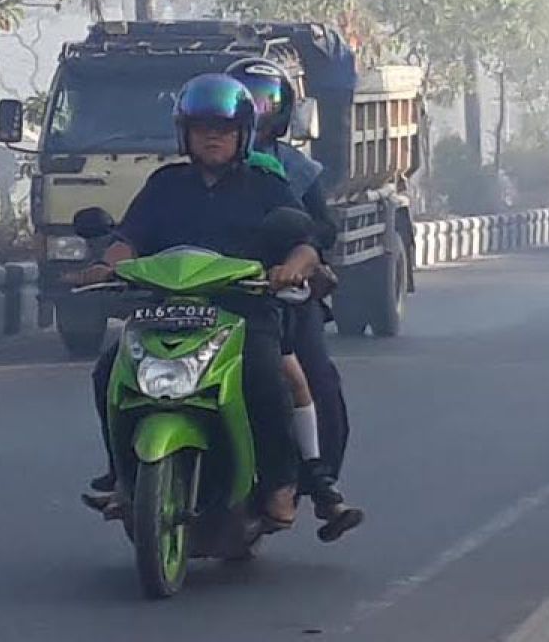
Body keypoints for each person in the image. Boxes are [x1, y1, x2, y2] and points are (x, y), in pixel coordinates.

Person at [70, 73, 318, 529]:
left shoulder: (264, 184)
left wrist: (292, 267)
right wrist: (108, 265)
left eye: (223, 129)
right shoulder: (165, 185)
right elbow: (129, 239)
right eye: (202, 128)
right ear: (185, 133)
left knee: (263, 375)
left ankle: (282, 483)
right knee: (109, 370)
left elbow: (303, 242)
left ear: (243, 134)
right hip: (166, 311)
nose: (213, 137)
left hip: (244, 312)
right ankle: (124, 475)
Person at [226, 57, 363, 540]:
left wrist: (300, 261)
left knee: (315, 377)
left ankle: (319, 480)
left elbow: (319, 226)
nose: (256, 113)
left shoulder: (293, 169)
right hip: (216, 292)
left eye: (266, 102)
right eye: (245, 102)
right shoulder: (183, 173)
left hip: (283, 291)